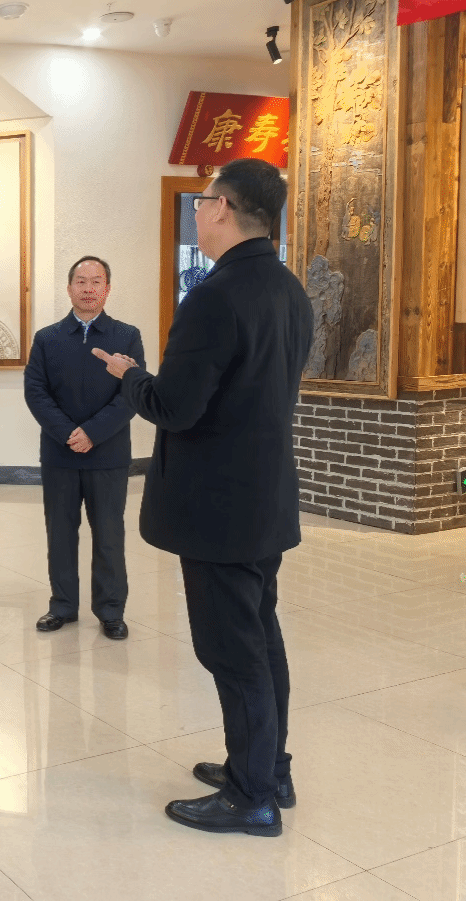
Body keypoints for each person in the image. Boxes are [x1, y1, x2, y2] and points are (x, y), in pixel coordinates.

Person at [93, 158, 313, 837]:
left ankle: (252, 797)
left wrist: (130, 374)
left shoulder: (215, 297)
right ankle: (267, 768)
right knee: (260, 638)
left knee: (233, 651)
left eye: (203, 201)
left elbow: (175, 407)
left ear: (222, 208)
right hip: (263, 499)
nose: (197, 212)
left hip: (219, 510)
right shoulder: (289, 289)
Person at [25, 256, 144, 641]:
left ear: (107, 289)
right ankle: (62, 605)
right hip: (60, 454)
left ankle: (111, 611)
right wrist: (68, 433)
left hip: (108, 454)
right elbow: (36, 392)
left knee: (109, 535)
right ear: (69, 288)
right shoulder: (47, 338)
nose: (89, 288)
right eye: (81, 281)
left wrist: (92, 432)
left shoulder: (127, 336)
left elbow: (132, 394)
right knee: (60, 533)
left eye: (96, 282)